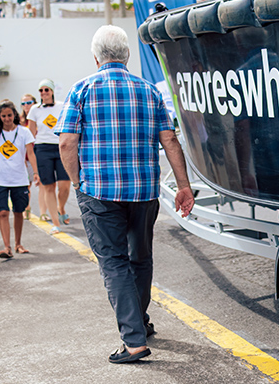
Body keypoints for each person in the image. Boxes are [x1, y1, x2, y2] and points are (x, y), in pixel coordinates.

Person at [57, 25, 194, 364]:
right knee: (140, 259)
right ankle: (141, 324)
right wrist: (183, 185)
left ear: (96, 57)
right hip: (144, 191)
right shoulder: (149, 91)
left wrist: (77, 182)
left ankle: (133, 341)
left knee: (114, 263)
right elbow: (170, 140)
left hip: (99, 192)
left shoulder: (81, 90)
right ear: (126, 56)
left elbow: (66, 142)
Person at [0, 100, 39, 259]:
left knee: (19, 211)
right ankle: (7, 247)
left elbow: (31, 154)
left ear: (14, 115)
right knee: (3, 212)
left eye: (9, 115)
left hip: (19, 179)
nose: (7, 118)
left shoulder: (24, 132)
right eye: (3, 116)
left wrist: (35, 172)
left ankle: (18, 244)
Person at [26, 79, 66, 235]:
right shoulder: (35, 110)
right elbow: (30, 136)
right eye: (41, 90)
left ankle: (61, 207)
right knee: (49, 186)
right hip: (43, 149)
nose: (43, 93)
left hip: (60, 146)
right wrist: (31, 158)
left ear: (52, 91)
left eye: (46, 90)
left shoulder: (62, 106)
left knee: (64, 186)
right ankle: (56, 222)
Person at [19, 93, 38, 220]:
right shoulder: (20, 121)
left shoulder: (39, 116)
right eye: (23, 103)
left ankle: (45, 211)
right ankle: (27, 207)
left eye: (29, 102)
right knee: (27, 185)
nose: (26, 106)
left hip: (39, 154)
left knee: (44, 184)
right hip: (25, 157)